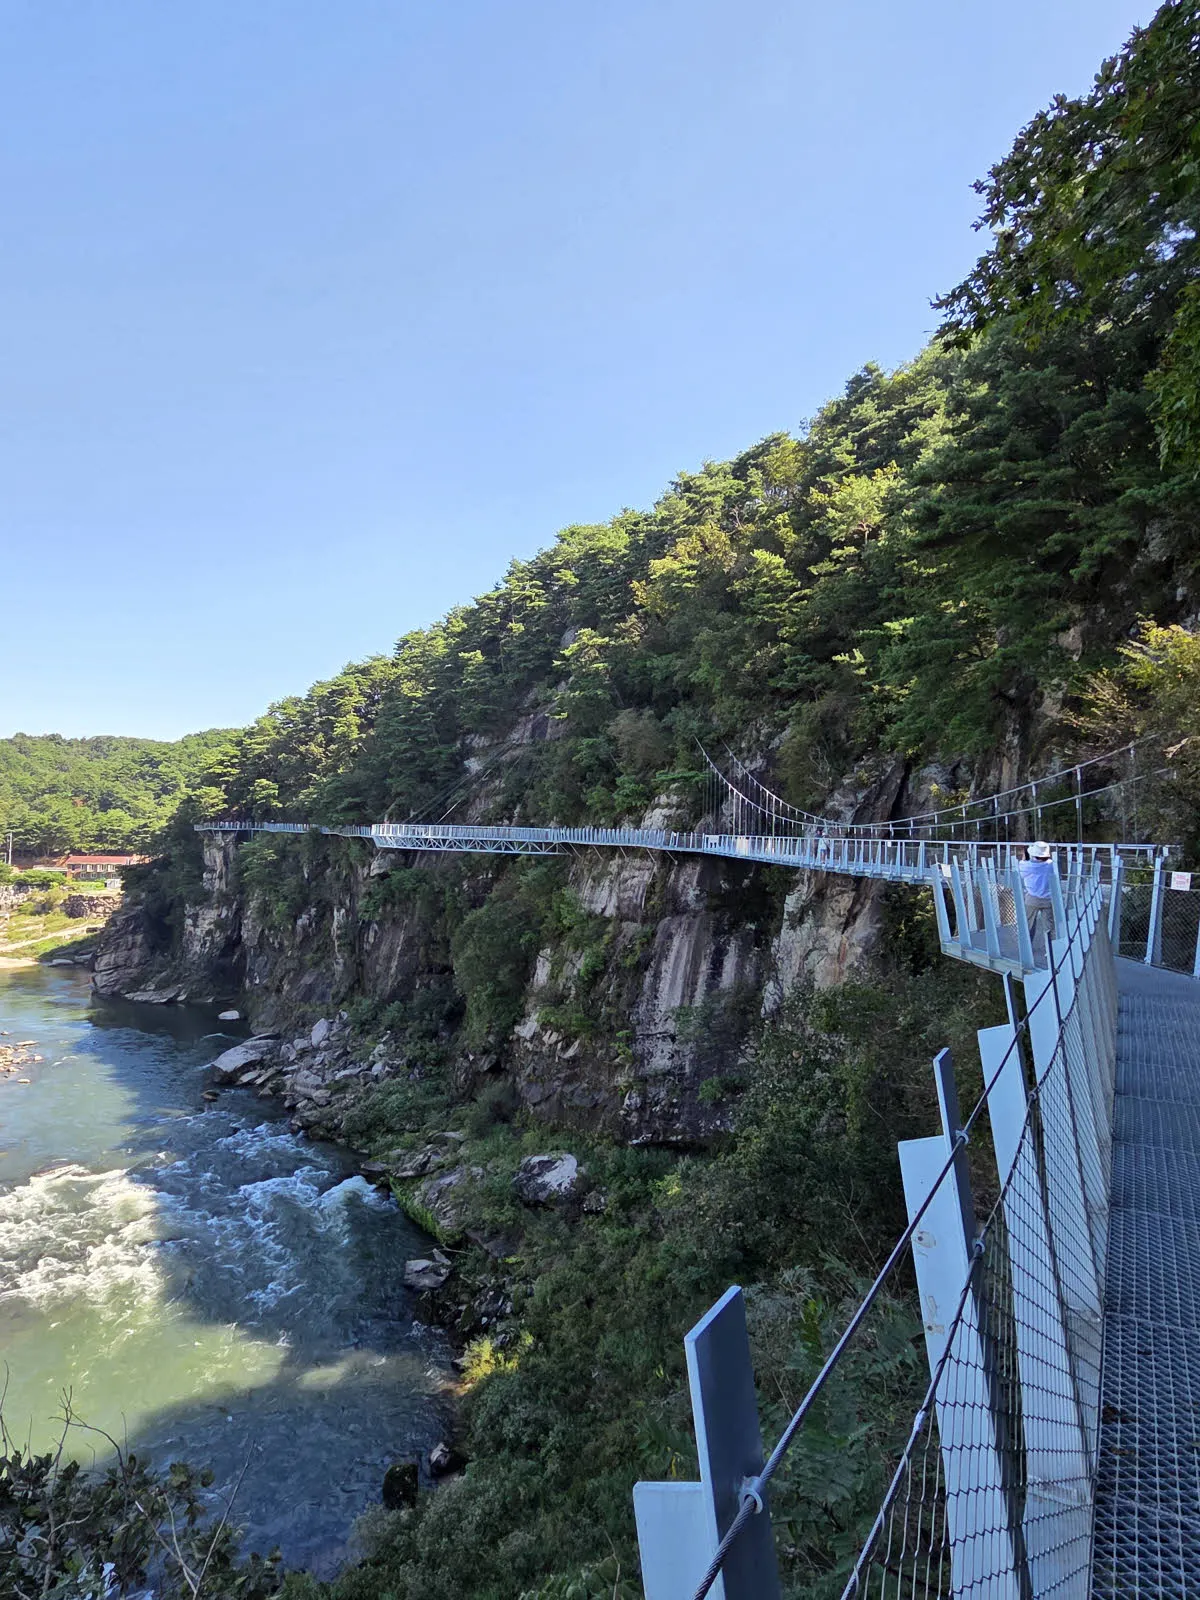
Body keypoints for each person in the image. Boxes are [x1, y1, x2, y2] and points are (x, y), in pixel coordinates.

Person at [1019, 841, 1058, 957]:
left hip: (1032, 898)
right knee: (1049, 926)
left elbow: (1021, 873)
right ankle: (1050, 950)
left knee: (1028, 924)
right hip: (1048, 898)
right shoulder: (1051, 864)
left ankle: (1027, 947)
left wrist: (1024, 857)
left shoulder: (1028, 866)